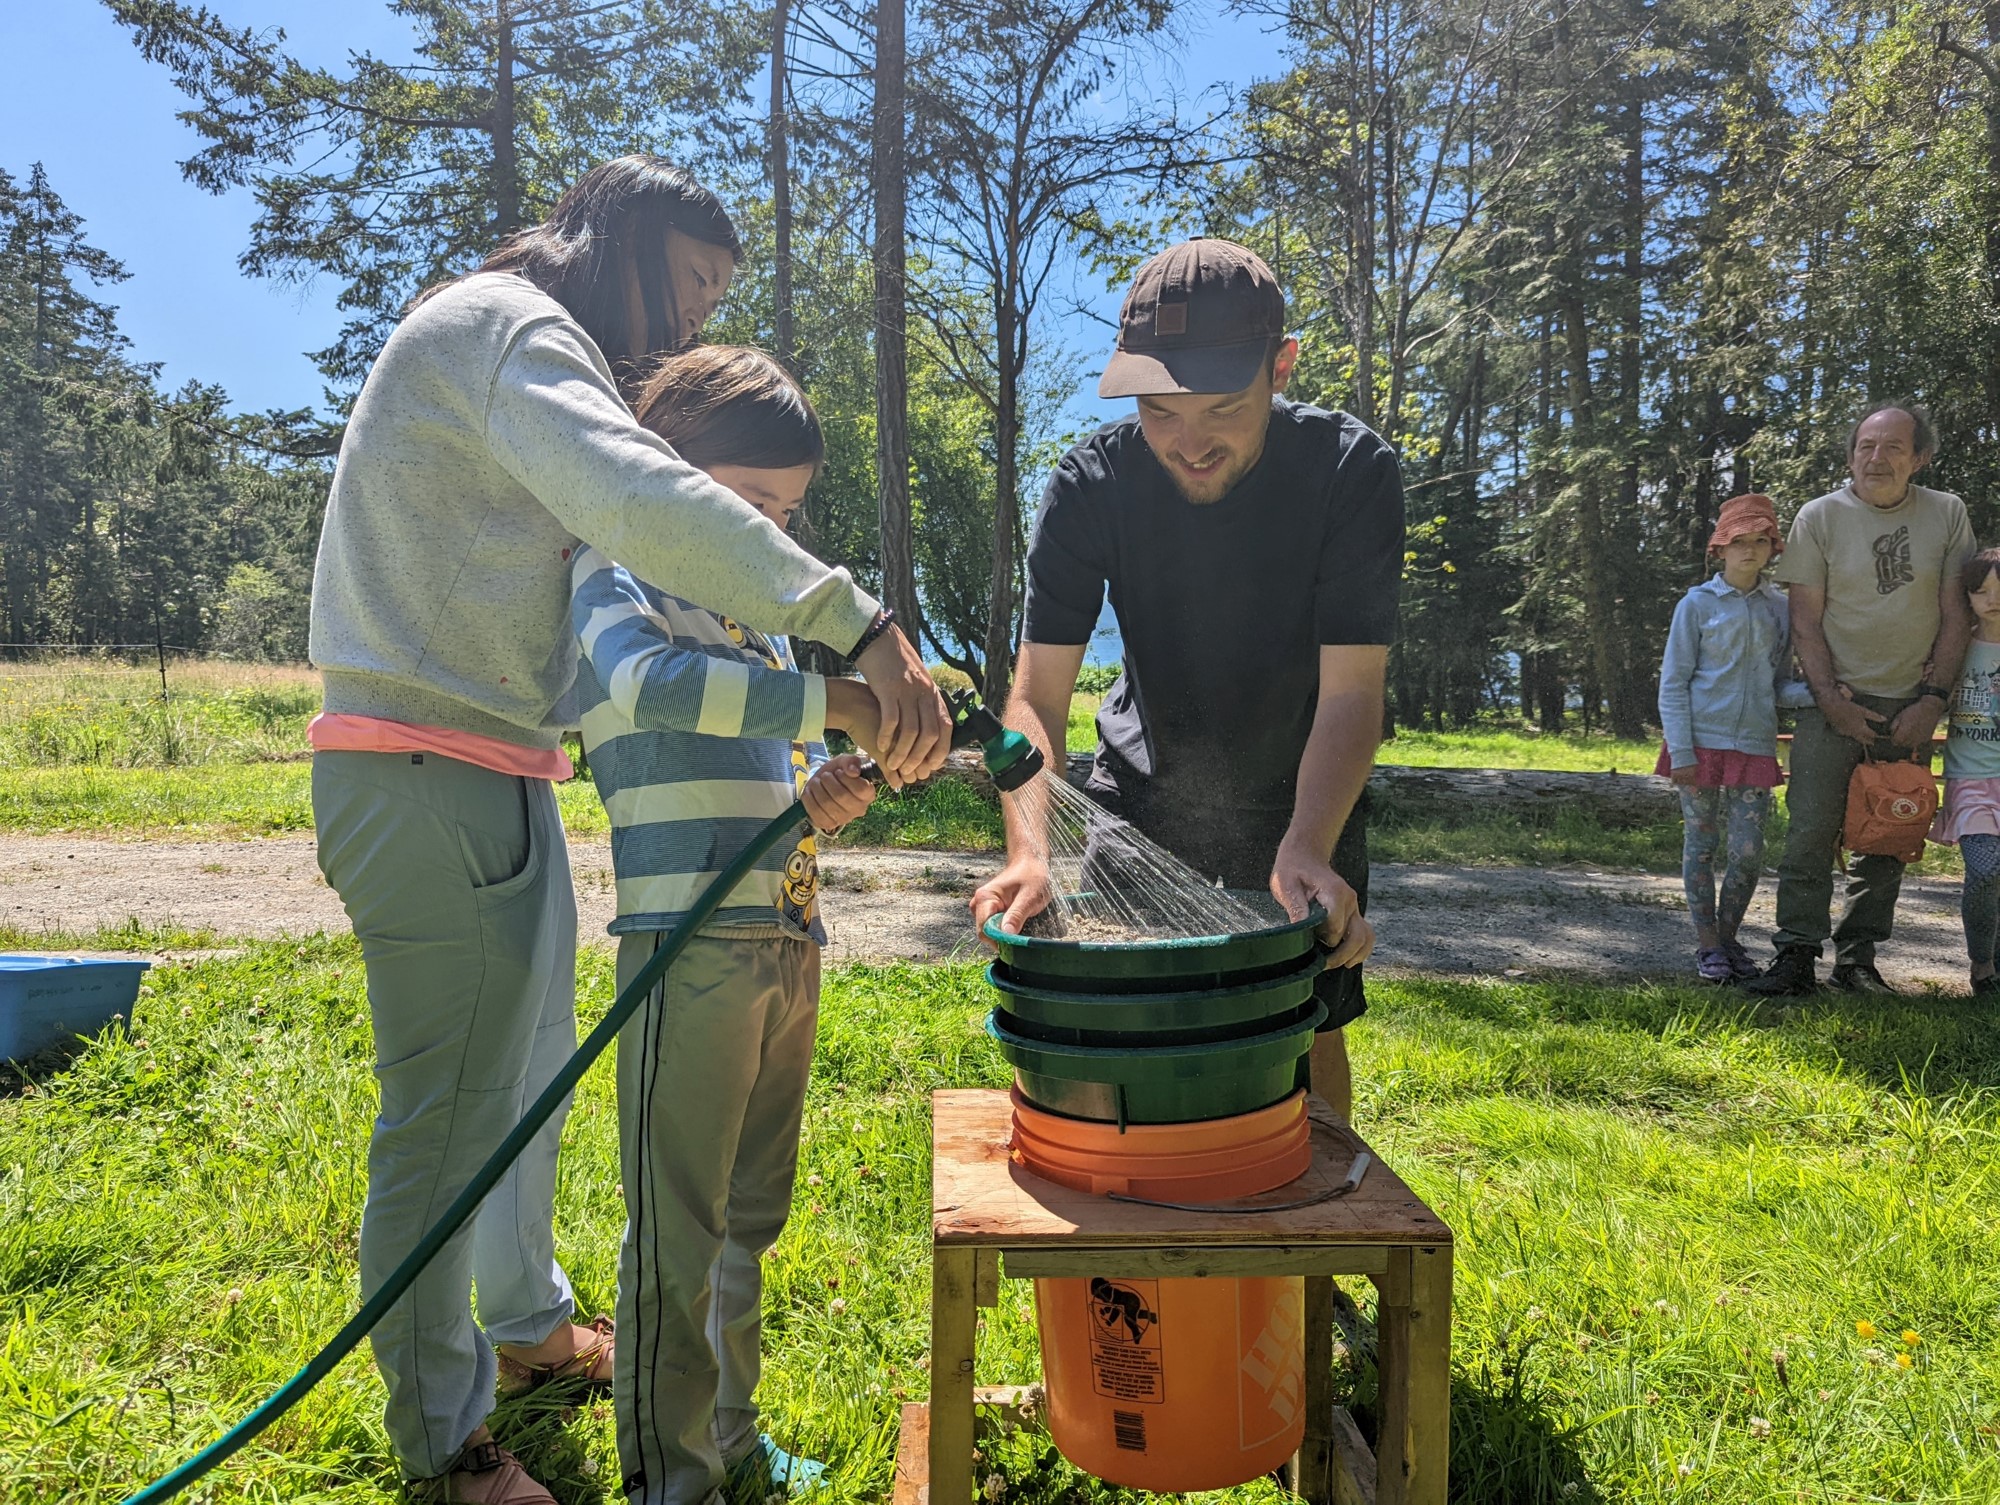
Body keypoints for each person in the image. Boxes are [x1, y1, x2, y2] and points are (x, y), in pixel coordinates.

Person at [309, 157, 946, 1505]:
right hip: (421, 761)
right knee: (450, 1118)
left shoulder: (513, 346)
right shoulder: (513, 328)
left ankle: (528, 1325)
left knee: (518, 1087)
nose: (685, 331)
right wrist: (856, 630)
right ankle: (447, 1440)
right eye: (691, 286)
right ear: (621, 243)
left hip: (490, 763)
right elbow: (646, 500)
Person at [969, 239, 1401, 1120]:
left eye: (1221, 408)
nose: (1188, 441)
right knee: (1127, 1045)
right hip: (1141, 801)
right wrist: (1029, 849)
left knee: (1307, 1034)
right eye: (1159, 411)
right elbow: (1038, 698)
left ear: (1280, 368)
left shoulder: (1350, 473)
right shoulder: (1092, 485)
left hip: (1303, 799)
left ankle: (1304, 1251)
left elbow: (1354, 694)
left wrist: (1309, 843)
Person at [570, 346, 877, 1505]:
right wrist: (834, 695)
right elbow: (645, 686)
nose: (768, 538)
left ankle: (731, 1432)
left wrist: (818, 793)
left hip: (783, 940)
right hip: (685, 944)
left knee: (748, 1210)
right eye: (747, 508)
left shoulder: (760, 632)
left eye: (787, 516)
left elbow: (776, 773)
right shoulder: (617, 569)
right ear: (663, 471)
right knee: (680, 1224)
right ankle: (673, 1475)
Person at [1747, 400, 1975, 997]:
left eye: (1893, 448)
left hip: (1911, 705)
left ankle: (1857, 962)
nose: (1875, 459)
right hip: (1834, 701)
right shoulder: (1819, 517)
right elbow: (1806, 623)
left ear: (1919, 458)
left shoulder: (1947, 514)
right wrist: (1832, 702)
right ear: (1850, 455)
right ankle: (1795, 955)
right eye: (1864, 447)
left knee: (1889, 833)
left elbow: (1956, 616)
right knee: (1811, 832)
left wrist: (1931, 700)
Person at [1656, 494, 1814, 983]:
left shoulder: (1781, 609)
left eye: (1760, 541)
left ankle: (1728, 938)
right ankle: (1708, 946)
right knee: (1700, 845)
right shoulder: (1696, 605)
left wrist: (1823, 695)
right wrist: (1681, 750)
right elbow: (1673, 682)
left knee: (1748, 851)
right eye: (1738, 542)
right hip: (1698, 745)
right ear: (1719, 550)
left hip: (1754, 747)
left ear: (1773, 548)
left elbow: (1779, 683)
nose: (1749, 550)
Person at [1930, 547, 2000, 995]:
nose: (1993, 599)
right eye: (1982, 591)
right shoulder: (1957, 643)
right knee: (1986, 869)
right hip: (1971, 778)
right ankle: (1982, 965)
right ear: (1968, 597)